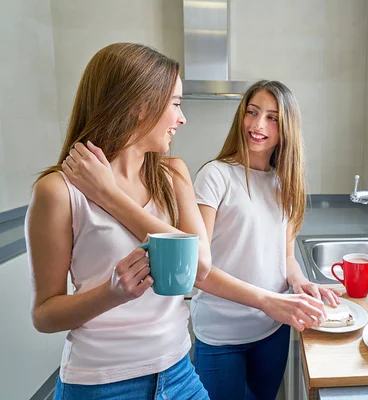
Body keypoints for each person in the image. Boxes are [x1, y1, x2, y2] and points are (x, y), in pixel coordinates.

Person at [27, 43, 326, 400]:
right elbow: (45, 315)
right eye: (176, 104)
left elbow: (198, 264)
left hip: (177, 372)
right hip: (100, 382)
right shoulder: (59, 191)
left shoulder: (174, 175)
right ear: (138, 104)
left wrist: (109, 195)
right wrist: (110, 294)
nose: (182, 118)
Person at [191, 80, 342, 400]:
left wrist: (301, 282)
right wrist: (268, 301)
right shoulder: (214, 176)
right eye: (252, 112)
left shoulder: (283, 183)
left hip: (271, 330)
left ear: (286, 127)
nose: (258, 125)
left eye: (272, 117)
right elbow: (196, 270)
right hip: (221, 335)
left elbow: (286, 258)